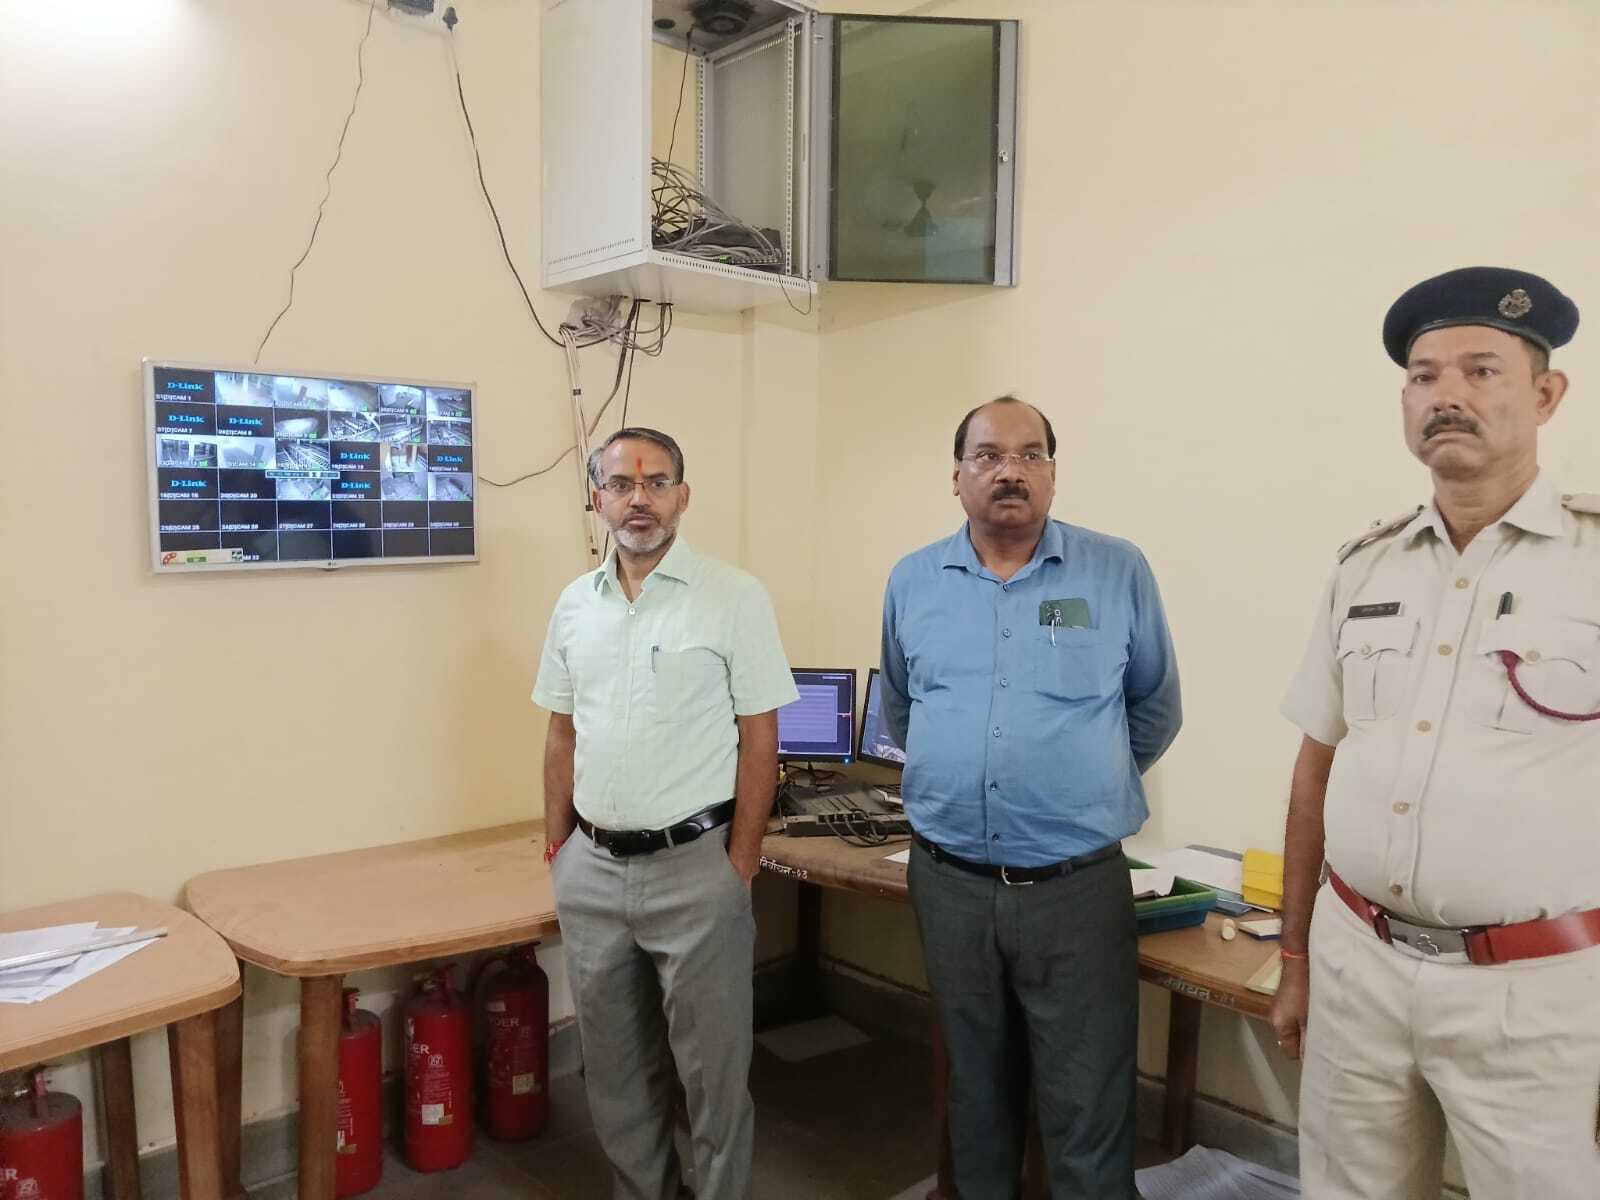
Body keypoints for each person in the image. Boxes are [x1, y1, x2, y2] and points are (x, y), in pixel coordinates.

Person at [1273, 266, 1600, 1198]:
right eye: (1423, 376)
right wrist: (1295, 959)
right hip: (1357, 965)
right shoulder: (1365, 567)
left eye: (1481, 370)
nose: (1446, 394)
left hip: (1536, 992)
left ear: (1546, 395)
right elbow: (1316, 767)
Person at [879, 395, 1182, 1197]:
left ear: (1052, 471)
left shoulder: (1116, 570)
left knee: (1087, 1104)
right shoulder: (913, 580)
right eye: (987, 455)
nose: (1009, 471)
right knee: (975, 1092)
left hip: (1074, 888)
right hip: (949, 882)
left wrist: (1077, 788)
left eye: (1029, 454)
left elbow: (1154, 708)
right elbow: (904, 710)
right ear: (957, 476)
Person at [533, 427, 798, 1200]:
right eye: (621, 484)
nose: (638, 498)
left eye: (655, 482)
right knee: (615, 1071)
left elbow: (760, 736)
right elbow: (560, 730)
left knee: (712, 1076)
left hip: (697, 869)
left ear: (683, 496)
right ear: (598, 499)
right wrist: (558, 849)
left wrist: (740, 862)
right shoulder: (574, 605)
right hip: (592, 872)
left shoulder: (734, 596)